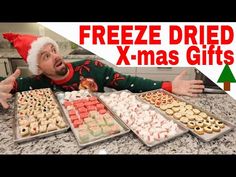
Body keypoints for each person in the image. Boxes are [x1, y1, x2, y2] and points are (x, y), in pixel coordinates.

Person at [0, 33, 204, 109]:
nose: (55, 56)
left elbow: (129, 82)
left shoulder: (91, 68)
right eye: (45, 56)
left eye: (53, 50)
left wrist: (168, 85)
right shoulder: (36, 83)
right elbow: (7, 86)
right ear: (38, 68)